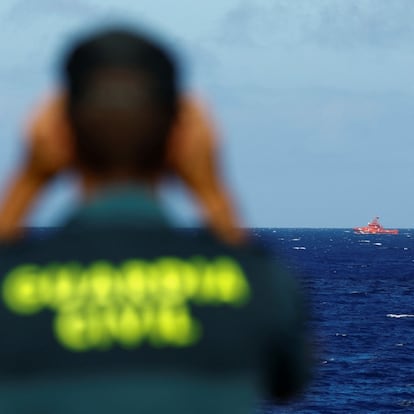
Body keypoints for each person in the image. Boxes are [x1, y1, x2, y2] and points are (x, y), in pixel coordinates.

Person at [0, 27, 309, 413]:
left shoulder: (10, 282)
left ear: (59, 133)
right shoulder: (256, 283)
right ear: (180, 136)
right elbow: (288, 378)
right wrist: (212, 189)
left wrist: (27, 180)